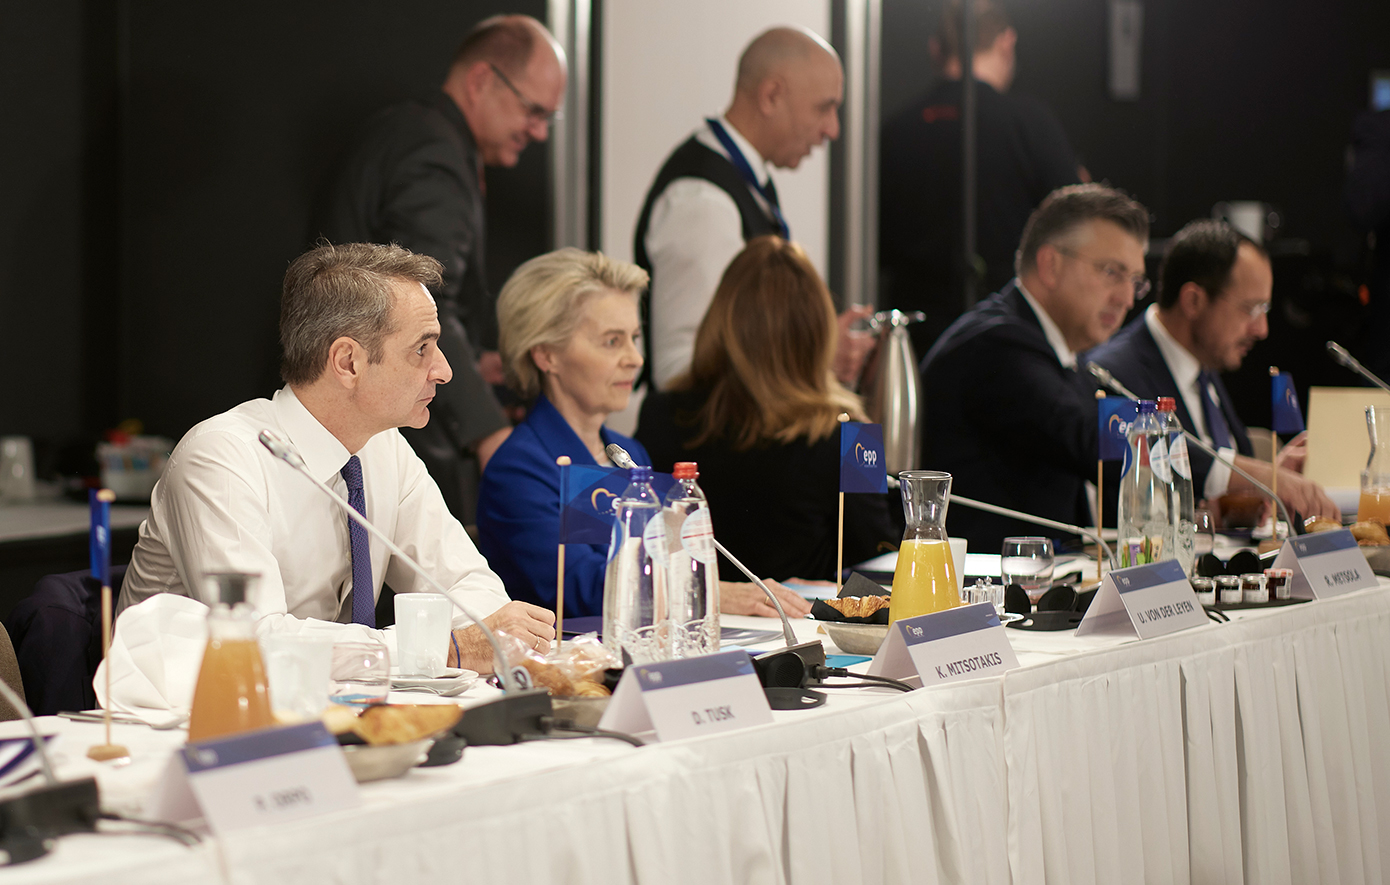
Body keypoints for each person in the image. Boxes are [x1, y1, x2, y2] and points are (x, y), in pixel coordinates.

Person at [118, 243, 556, 671]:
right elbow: (255, 643)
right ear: (348, 362)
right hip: (182, 709)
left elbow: (465, 584)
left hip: (323, 702)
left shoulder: (384, 446)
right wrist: (438, 649)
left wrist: (493, 635)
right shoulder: (221, 458)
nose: (444, 371)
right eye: (422, 348)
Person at [316, 15, 566, 520]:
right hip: (372, 434)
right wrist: (489, 433)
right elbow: (422, 303)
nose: (539, 132)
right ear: (482, 80)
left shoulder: (412, 131)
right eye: (533, 111)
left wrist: (471, 359)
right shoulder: (434, 153)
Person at [477, 248, 811, 619]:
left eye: (634, 338)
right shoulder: (518, 469)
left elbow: (674, 560)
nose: (635, 358)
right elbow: (583, 590)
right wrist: (710, 591)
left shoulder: (631, 452)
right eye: (612, 341)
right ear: (546, 356)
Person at [637, 236, 895, 583]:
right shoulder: (855, 434)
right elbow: (880, 561)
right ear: (818, 331)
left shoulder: (659, 413)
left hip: (695, 610)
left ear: (719, 320)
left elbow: (643, 542)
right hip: (804, 615)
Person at [633, 26, 871, 394]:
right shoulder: (702, 201)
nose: (833, 129)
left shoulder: (743, 180)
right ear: (771, 96)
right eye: (824, 108)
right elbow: (679, 371)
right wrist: (816, 357)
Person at [919, 184, 1148, 552]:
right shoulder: (998, 343)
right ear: (1050, 265)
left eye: (1135, 281)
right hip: (981, 580)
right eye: (1111, 272)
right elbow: (1089, 441)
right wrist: (1213, 471)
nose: (1126, 299)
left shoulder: (1062, 351)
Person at [1086, 220, 1340, 522]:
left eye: (1264, 310)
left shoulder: (1203, 362)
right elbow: (1144, 480)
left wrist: (1261, 483)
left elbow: (1218, 496)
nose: (1261, 329)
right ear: (1193, 301)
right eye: (1250, 309)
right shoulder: (1112, 375)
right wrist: (1261, 476)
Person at [879, 0, 1084, 356]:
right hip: (1007, 333)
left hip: (915, 338)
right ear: (1006, 42)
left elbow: (880, 243)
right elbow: (1078, 222)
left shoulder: (896, 131)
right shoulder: (1030, 125)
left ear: (936, 50)